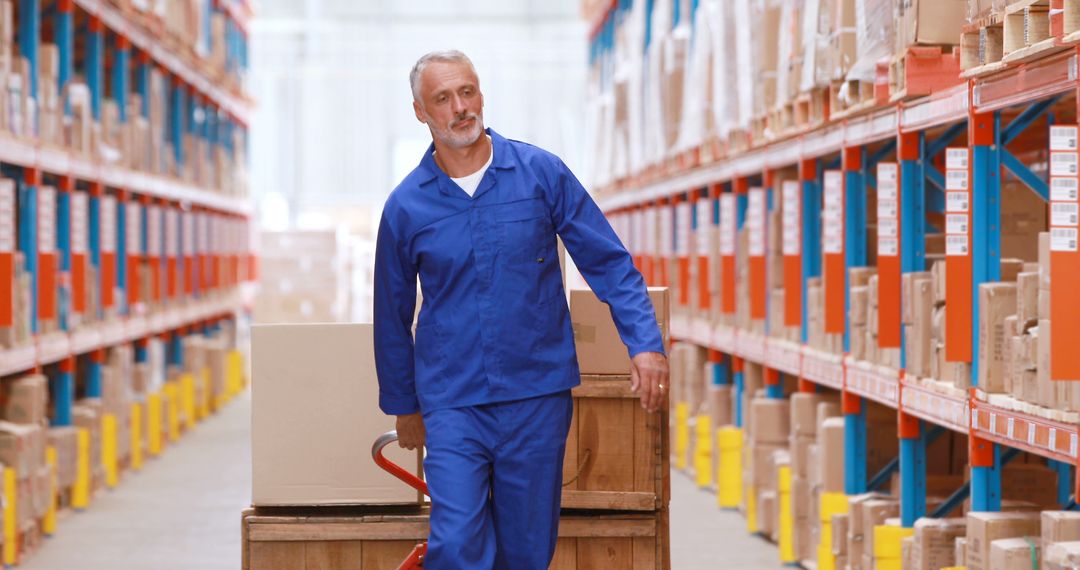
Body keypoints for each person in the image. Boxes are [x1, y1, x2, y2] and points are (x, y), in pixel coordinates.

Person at [373, 50, 668, 570]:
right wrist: (404, 405)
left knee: (527, 549)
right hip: (453, 400)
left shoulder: (539, 174)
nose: (460, 107)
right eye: (443, 98)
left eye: (468, 91)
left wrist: (644, 343)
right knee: (457, 542)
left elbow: (608, 262)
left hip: (536, 396)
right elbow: (391, 315)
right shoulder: (406, 207)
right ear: (420, 112)